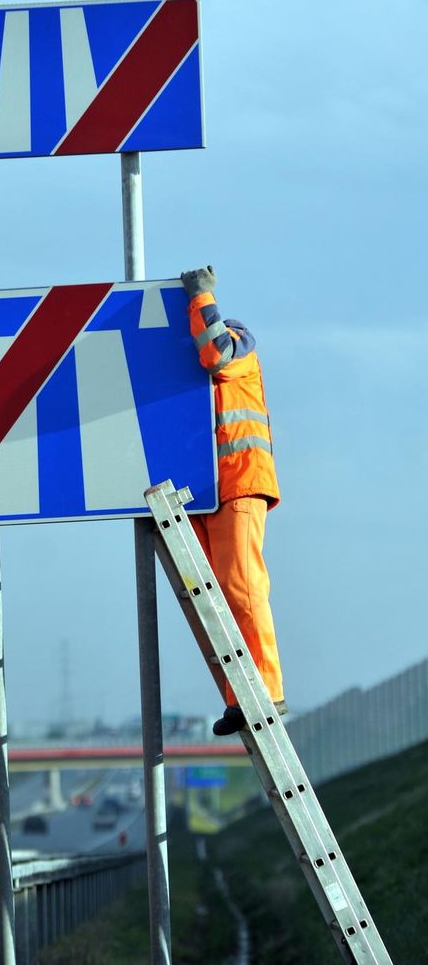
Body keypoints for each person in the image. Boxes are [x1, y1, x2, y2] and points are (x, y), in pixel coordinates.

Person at [180, 266, 287, 736]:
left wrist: (201, 297)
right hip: (203, 492)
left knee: (241, 588)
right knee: (213, 599)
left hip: (240, 484)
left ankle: (266, 691)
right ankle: (239, 696)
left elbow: (215, 353)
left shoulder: (237, 346)